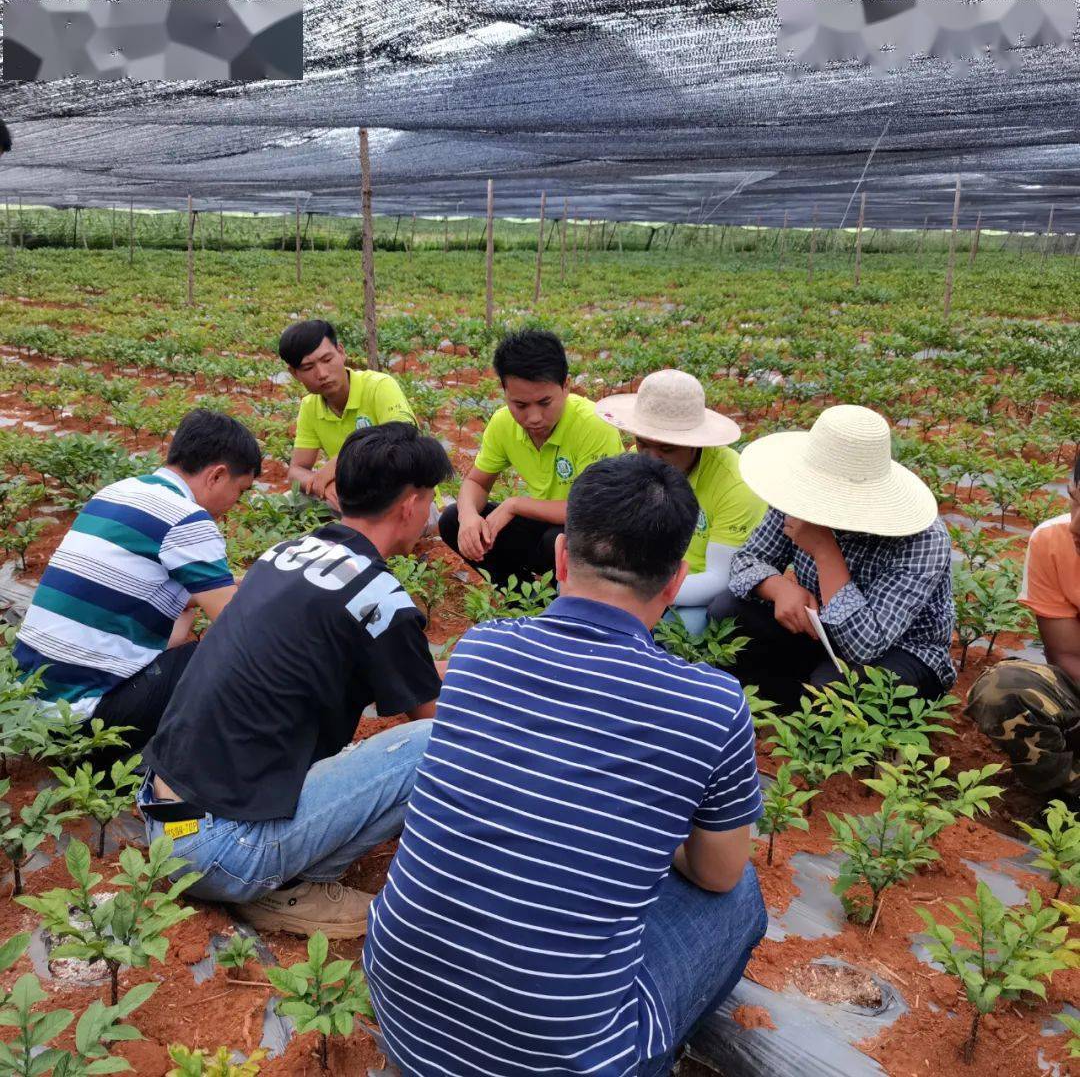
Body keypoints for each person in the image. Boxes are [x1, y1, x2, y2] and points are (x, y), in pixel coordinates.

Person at [366, 452, 767, 1077]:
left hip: (404, 1009)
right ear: (674, 583)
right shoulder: (711, 705)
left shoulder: (480, 650)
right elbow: (717, 874)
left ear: (560, 560)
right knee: (739, 892)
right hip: (563, 1057)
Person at [138, 422, 452, 938]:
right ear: (411, 504)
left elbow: (413, 674)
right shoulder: (379, 598)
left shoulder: (290, 553)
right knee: (433, 745)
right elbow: (432, 713)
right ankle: (285, 885)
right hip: (222, 849)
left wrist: (479, 668)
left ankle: (272, 869)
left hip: (168, 818)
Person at [14, 409, 260, 753]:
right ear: (217, 476)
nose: (236, 505)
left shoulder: (116, 492)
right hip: (88, 722)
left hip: (29, 714)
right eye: (241, 490)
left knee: (182, 624)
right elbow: (241, 629)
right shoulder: (187, 519)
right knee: (224, 655)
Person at [708, 404, 955, 712]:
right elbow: (746, 560)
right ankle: (792, 704)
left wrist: (825, 550)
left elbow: (866, 645)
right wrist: (779, 588)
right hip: (820, 632)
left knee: (832, 690)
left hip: (899, 651)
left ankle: (802, 704)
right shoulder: (797, 498)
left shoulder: (922, 539)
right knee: (727, 611)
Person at [438, 329, 624, 587]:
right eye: (521, 405)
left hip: (596, 538)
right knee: (450, 520)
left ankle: (565, 602)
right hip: (545, 528)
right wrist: (468, 517)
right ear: (504, 391)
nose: (534, 417)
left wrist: (514, 505)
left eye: (545, 402)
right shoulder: (503, 423)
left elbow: (596, 513)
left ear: (566, 386)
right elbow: (477, 482)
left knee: (559, 541)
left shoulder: (593, 425)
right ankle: (527, 600)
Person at [597, 368, 766, 634]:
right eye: (642, 444)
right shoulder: (634, 462)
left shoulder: (735, 483)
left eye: (667, 448)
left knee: (684, 628)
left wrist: (640, 594)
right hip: (644, 580)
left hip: (692, 589)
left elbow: (720, 578)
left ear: (696, 443)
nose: (651, 458)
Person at [966, 454, 1080, 800]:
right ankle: (1068, 794)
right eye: (1076, 500)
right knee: (1003, 689)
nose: (1077, 525)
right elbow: (1068, 655)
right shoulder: (1054, 541)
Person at [281, 319, 418, 510]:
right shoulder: (310, 406)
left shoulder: (379, 386)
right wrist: (321, 484)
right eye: (308, 368)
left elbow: (405, 435)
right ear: (294, 373)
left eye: (327, 360)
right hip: (349, 497)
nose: (321, 374)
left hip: (400, 496)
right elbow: (296, 470)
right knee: (287, 503)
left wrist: (341, 462)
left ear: (341, 351)